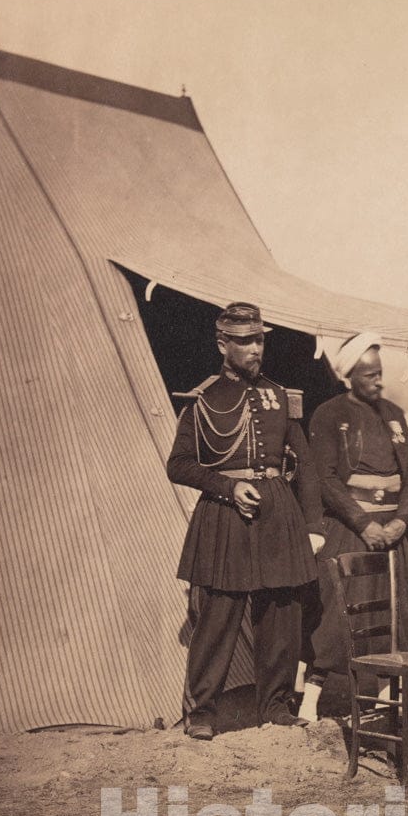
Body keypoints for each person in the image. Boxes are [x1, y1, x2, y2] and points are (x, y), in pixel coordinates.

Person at [167, 302, 325, 741]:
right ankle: (201, 712)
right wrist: (227, 486)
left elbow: (306, 466)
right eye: (244, 341)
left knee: (281, 614)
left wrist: (314, 525)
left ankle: (275, 707)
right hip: (225, 515)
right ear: (223, 344)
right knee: (218, 616)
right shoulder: (203, 399)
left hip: (278, 514)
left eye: (259, 340)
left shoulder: (281, 397)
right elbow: (178, 465)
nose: (255, 348)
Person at [298, 332, 408, 721]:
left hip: (392, 532)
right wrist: (363, 522)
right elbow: (326, 478)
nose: (378, 381)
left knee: (394, 616)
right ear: (349, 376)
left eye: (380, 373)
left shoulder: (393, 414)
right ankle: (310, 700)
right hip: (351, 529)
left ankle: (387, 700)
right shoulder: (329, 415)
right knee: (338, 616)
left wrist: (402, 519)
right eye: (369, 375)